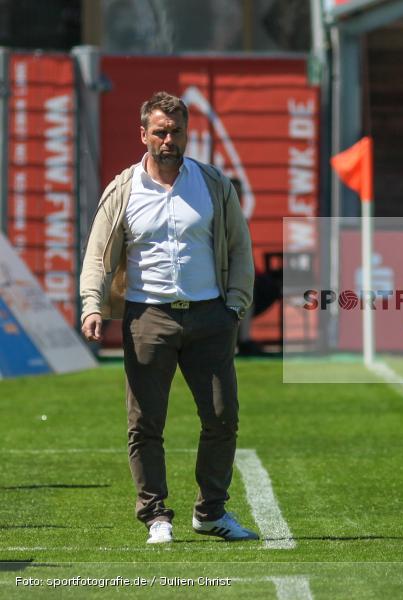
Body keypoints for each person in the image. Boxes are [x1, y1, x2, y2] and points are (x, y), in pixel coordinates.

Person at [79, 91, 257, 544]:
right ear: (143, 134)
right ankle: (156, 515)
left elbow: (239, 247)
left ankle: (211, 512)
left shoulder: (213, 184)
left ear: (186, 133)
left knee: (222, 417)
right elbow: (97, 256)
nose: (168, 139)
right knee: (145, 424)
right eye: (160, 131)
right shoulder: (123, 189)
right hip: (147, 319)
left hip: (210, 317)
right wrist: (92, 305)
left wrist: (235, 305)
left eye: (176, 131)